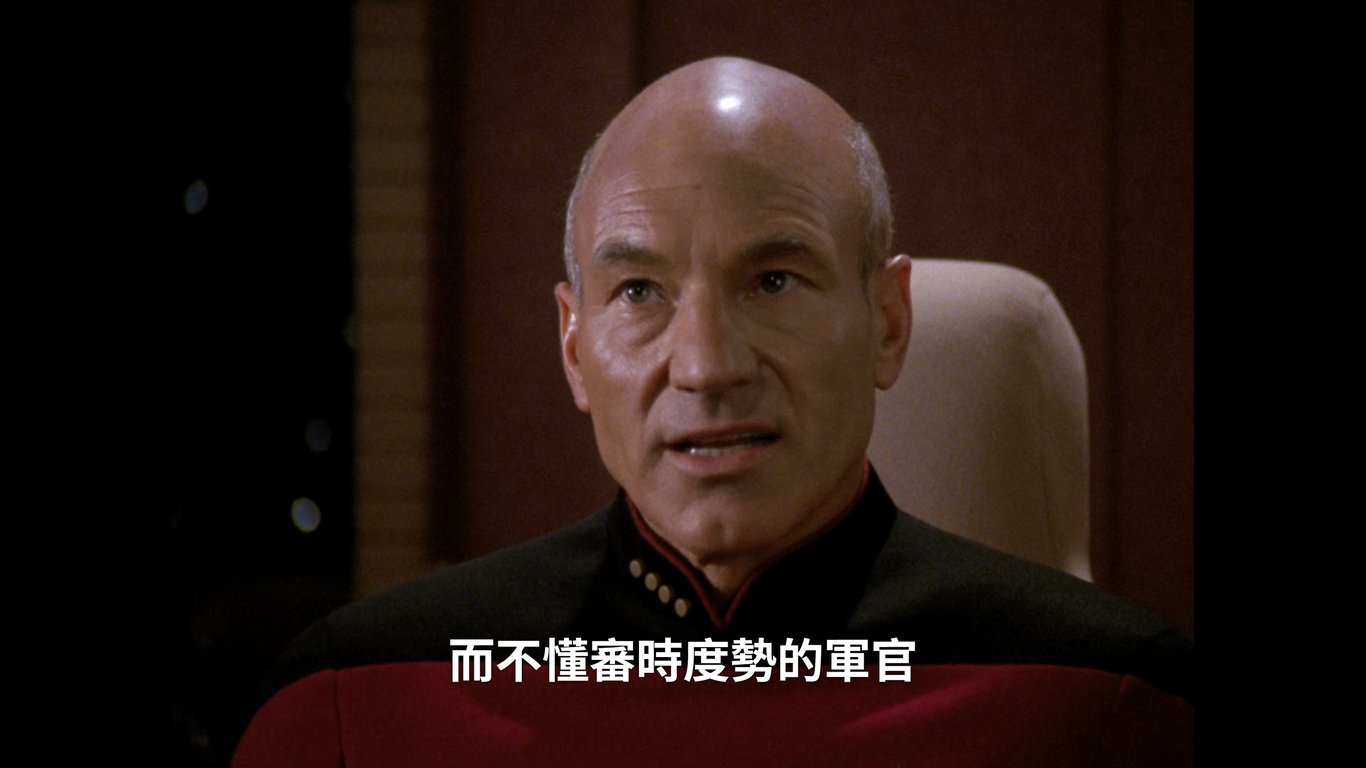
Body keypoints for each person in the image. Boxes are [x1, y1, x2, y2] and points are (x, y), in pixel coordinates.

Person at [233, 57, 1192, 766]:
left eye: (773, 280)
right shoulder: (362, 703)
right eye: (639, 292)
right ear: (574, 347)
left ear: (889, 323)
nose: (705, 367)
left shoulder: (1105, 706)